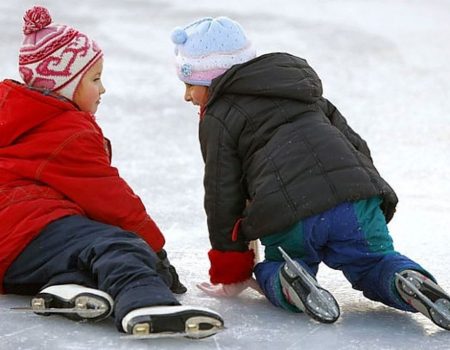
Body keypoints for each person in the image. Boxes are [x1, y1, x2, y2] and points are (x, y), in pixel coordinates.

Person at [170, 16, 450, 330]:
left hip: (289, 214)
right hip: (355, 200)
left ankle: (290, 282)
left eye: (189, 84)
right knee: (376, 263)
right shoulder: (303, 92)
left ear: (212, 80)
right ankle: (407, 280)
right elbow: (356, 147)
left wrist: (232, 268)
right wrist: (373, 197)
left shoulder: (219, 116)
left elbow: (223, 194)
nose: (186, 96)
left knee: (282, 265)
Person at [0, 6, 224, 339]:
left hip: (15, 251)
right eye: (94, 79)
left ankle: (67, 289)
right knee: (116, 245)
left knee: (82, 250)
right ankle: (148, 302)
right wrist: (153, 248)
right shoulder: (68, 130)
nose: (102, 89)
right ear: (64, 86)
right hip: (26, 228)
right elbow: (110, 199)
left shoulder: (18, 116)